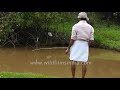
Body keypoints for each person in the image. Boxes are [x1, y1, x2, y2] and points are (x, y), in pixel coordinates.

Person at [65, 12, 94, 78]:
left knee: (73, 60)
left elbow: (72, 38)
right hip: (85, 44)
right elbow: (92, 40)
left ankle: (73, 77)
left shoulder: (75, 26)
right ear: (86, 19)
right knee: (84, 61)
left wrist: (68, 48)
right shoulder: (90, 27)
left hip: (76, 44)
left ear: (79, 18)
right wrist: (87, 45)